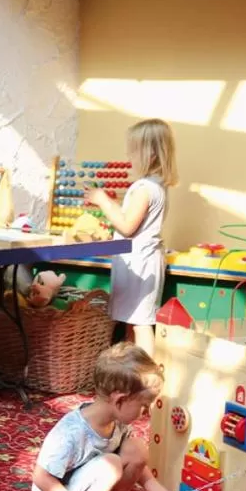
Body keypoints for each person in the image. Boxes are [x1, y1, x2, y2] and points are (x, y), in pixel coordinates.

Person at [31, 342, 190, 491]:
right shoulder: (71, 432)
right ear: (120, 400)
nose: (147, 411)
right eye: (144, 404)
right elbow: (41, 478)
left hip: (88, 484)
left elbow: (137, 463)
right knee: (111, 464)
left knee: (136, 448)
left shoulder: (117, 421)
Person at [86, 118, 178, 356]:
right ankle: (129, 372)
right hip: (141, 260)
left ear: (152, 155)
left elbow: (128, 227)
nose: (129, 155)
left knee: (141, 323)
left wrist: (103, 200)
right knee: (133, 320)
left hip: (141, 263)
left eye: (134, 150)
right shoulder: (156, 186)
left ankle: (146, 378)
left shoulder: (144, 188)